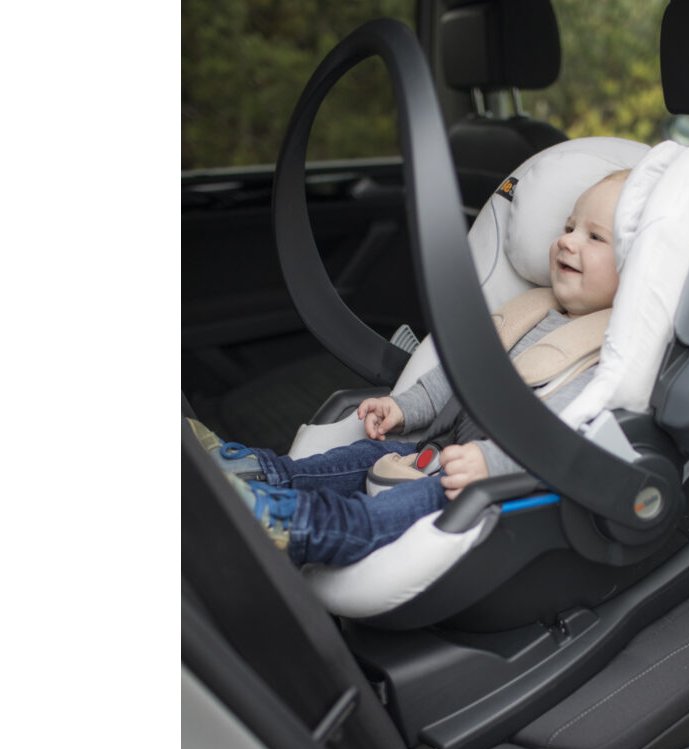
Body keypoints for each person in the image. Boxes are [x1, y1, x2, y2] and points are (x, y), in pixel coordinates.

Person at [189, 169, 629, 567]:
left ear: (633, 267)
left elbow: (562, 437)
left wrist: (490, 463)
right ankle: (257, 471)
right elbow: (454, 376)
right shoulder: (527, 310)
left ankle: (296, 524)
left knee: (388, 511)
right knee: (359, 456)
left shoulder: (606, 355)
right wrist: (403, 407)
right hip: (432, 450)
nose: (567, 241)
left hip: (481, 488)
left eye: (595, 237)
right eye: (568, 227)